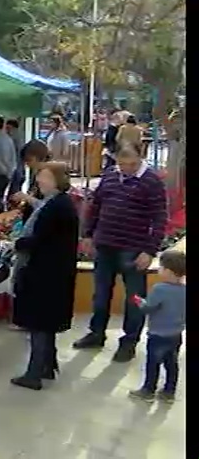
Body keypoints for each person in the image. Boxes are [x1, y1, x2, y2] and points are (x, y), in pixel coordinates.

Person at [73, 142, 168, 362]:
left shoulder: (152, 182)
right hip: (105, 245)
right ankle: (96, 333)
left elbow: (160, 218)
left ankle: (129, 342)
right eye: (122, 164)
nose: (126, 169)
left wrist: (149, 250)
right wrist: (87, 234)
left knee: (134, 299)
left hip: (133, 249)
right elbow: (95, 206)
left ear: (140, 158)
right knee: (101, 294)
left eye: (132, 164)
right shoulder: (110, 176)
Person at [8, 161, 79, 391]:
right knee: (46, 323)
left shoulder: (56, 207)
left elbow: (40, 240)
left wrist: (15, 243)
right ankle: (48, 365)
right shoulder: (57, 203)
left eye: (44, 177)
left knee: (39, 324)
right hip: (53, 272)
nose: (39, 180)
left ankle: (34, 373)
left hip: (46, 273)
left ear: (57, 180)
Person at [129, 249, 186, 403]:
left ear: (167, 270)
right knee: (171, 363)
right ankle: (169, 392)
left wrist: (138, 301)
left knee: (153, 363)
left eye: (161, 267)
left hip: (158, 334)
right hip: (176, 334)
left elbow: (148, 308)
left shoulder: (160, 289)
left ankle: (148, 390)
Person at [5, 120, 25, 195]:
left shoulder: (14, 138)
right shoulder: (19, 137)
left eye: (8, 128)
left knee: (14, 192)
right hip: (18, 168)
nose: (7, 130)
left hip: (16, 169)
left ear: (13, 128)